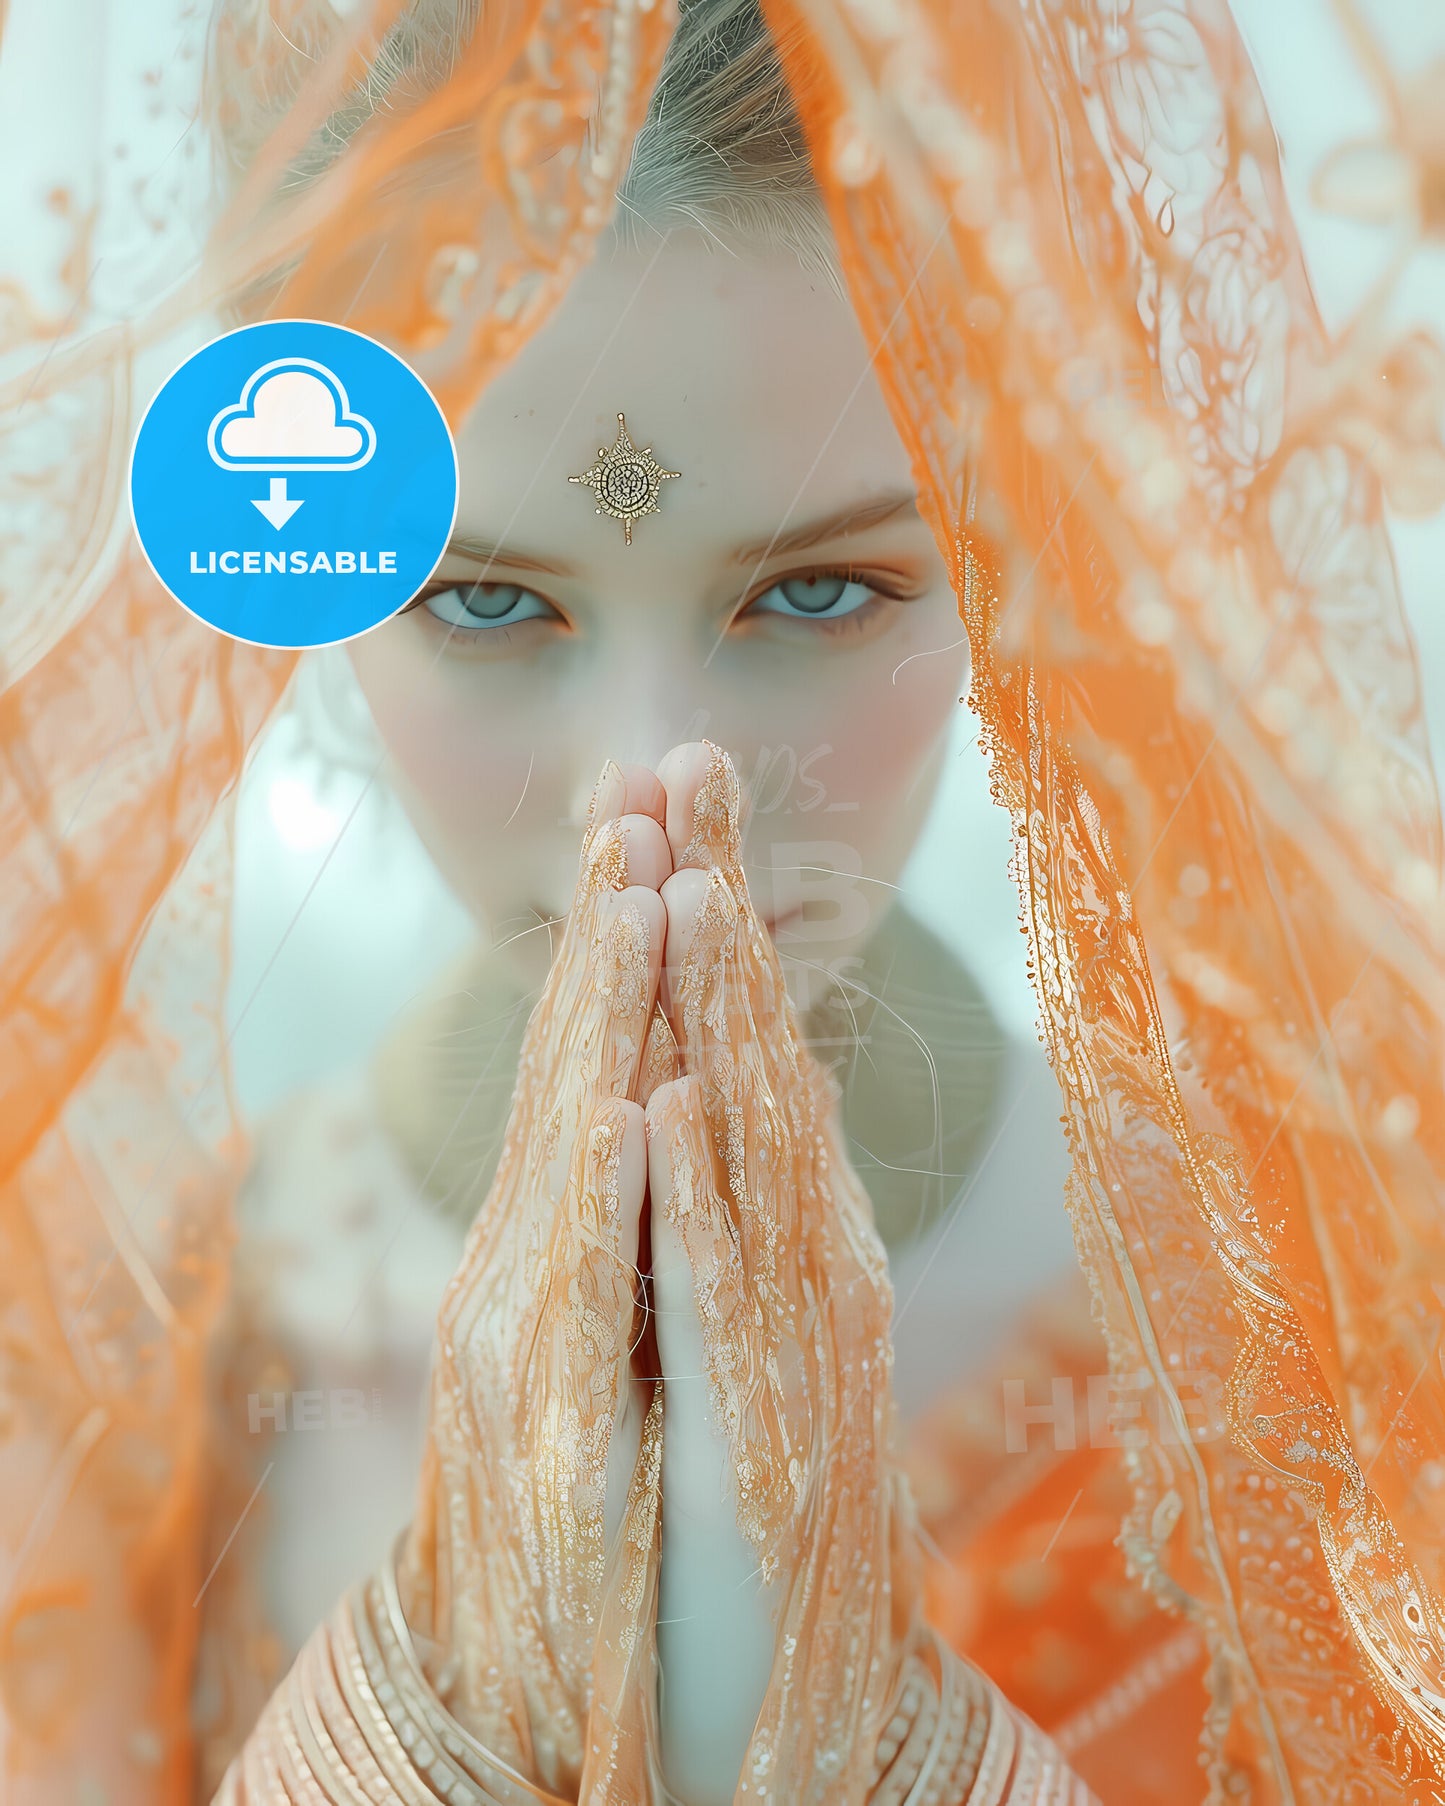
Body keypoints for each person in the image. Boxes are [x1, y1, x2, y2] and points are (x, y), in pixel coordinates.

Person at [3, 0, 1444, 1799]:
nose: (657, 789)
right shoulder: (132, 1397)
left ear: (1019, 538)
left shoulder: (1339, 1359)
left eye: (822, 594)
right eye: (484, 602)